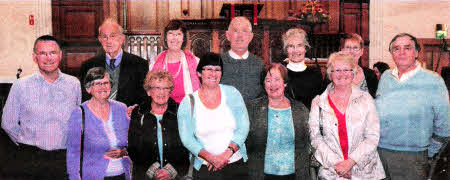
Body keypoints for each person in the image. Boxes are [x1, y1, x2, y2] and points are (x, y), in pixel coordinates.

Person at [1, 35, 81, 179]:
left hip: (64, 157)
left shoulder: (74, 85)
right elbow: (8, 122)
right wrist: (26, 140)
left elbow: (79, 119)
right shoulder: (21, 86)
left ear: (60, 55)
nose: (48, 58)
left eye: (52, 53)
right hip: (31, 158)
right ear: (34, 57)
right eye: (42, 53)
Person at [376, 33, 449, 180]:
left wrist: (428, 153)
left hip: (413, 157)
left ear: (416, 53)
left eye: (407, 48)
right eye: (396, 49)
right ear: (391, 54)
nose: (401, 52)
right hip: (380, 153)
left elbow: (445, 125)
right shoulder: (386, 77)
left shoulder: (433, 81)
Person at [309, 52, 385, 179]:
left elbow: (372, 136)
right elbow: (315, 138)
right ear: (330, 74)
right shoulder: (318, 102)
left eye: (346, 70)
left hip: (364, 173)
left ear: (353, 73)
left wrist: (350, 162)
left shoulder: (366, 99)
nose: (342, 74)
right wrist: (338, 165)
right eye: (337, 70)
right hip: (332, 172)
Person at [178, 52, 250, 179]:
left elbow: (243, 127)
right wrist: (210, 158)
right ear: (199, 73)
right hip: (205, 168)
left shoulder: (233, 93)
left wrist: (226, 155)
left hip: (235, 165)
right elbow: (187, 138)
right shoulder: (188, 102)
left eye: (217, 69)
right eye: (209, 69)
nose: (213, 73)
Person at [247, 63, 311, 180]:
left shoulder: (300, 109)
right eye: (268, 80)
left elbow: (308, 143)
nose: (273, 84)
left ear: (285, 83)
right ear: (263, 84)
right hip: (261, 174)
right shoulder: (252, 108)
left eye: (277, 79)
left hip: (294, 174)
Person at [67, 67, 131, 179]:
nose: (102, 87)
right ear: (88, 89)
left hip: (122, 174)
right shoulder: (79, 113)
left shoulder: (121, 108)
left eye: (105, 83)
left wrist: (124, 151)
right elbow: (73, 152)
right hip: (93, 176)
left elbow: (132, 140)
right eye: (97, 84)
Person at [128, 70, 189, 180]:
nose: (161, 92)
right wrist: (154, 171)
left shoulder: (180, 111)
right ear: (149, 91)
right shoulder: (138, 112)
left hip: (175, 175)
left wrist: (170, 171)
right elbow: (133, 147)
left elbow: (186, 145)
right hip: (144, 175)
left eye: (165, 88)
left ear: (170, 91)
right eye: (157, 88)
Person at [80, 18, 148, 106]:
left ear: (122, 38)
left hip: (127, 117)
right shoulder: (88, 66)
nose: (108, 41)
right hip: (97, 118)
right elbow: (85, 99)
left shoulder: (139, 65)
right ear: (100, 39)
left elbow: (143, 100)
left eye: (112, 36)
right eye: (104, 37)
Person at [150, 20, 201, 104]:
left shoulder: (195, 62)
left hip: (189, 110)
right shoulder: (154, 65)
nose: (174, 38)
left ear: (183, 39)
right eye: (171, 34)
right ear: (165, 38)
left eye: (178, 34)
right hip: (164, 111)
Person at [221, 16, 265, 103]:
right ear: (228, 35)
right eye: (235, 31)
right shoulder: (218, 63)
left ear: (251, 36)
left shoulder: (260, 64)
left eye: (244, 31)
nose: (240, 36)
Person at [282, 28, 323, 109]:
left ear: (305, 48)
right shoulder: (281, 73)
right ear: (286, 50)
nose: (295, 50)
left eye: (299, 45)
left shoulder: (316, 75)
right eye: (291, 46)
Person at [340, 33, 378, 98]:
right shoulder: (333, 73)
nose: (351, 51)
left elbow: (376, 101)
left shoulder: (370, 75)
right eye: (348, 47)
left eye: (355, 48)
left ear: (361, 51)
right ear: (342, 50)